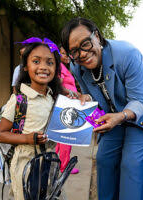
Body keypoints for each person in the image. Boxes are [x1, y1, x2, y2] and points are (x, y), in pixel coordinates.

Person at [61, 17, 143, 200]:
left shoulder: (127, 53)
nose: (82, 54)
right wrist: (84, 98)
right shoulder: (76, 66)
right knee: (104, 158)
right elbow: (94, 96)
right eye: (74, 51)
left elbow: (139, 100)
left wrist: (120, 116)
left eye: (85, 44)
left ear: (97, 36)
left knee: (131, 162)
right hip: (116, 115)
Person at [0, 38, 63, 200]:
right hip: (25, 163)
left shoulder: (53, 98)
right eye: (36, 61)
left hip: (49, 162)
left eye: (50, 62)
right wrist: (27, 138)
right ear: (25, 67)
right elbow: (1, 134)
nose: (43, 67)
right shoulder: (19, 99)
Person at [55, 46, 79, 174]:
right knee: (66, 137)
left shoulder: (65, 67)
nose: (67, 56)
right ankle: (64, 167)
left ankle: (57, 161)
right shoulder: (58, 66)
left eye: (68, 54)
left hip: (69, 103)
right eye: (63, 54)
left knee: (61, 137)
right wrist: (68, 93)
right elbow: (58, 84)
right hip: (66, 104)